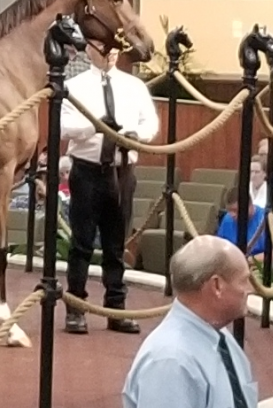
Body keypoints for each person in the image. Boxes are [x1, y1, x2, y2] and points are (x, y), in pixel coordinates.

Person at [60, 49, 161, 335]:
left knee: (116, 245)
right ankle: (76, 308)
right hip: (88, 170)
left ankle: (115, 308)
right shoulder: (75, 85)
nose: (110, 54)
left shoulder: (134, 86)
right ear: (90, 49)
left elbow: (150, 123)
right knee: (81, 244)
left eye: (115, 49)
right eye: (104, 49)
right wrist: (96, 124)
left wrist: (135, 136)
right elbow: (64, 125)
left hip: (123, 171)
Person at [122, 234, 258, 408]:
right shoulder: (171, 362)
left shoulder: (220, 337)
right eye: (244, 281)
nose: (250, 290)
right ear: (217, 286)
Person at [216, 184, 273, 259]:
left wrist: (249, 260)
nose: (232, 215)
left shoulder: (268, 219)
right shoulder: (227, 219)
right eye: (229, 210)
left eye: (236, 210)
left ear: (250, 205)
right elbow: (220, 248)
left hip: (261, 265)